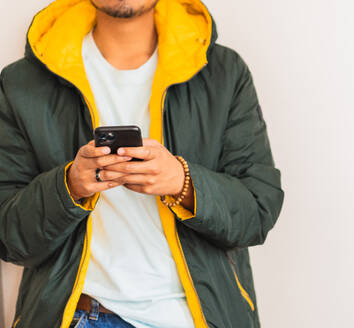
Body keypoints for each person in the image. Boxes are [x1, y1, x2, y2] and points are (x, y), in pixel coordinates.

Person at [0, 0, 284, 327]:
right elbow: (9, 236)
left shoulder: (223, 72)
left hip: (196, 317)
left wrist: (183, 183)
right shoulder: (22, 84)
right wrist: (70, 187)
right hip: (79, 315)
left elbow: (258, 210)